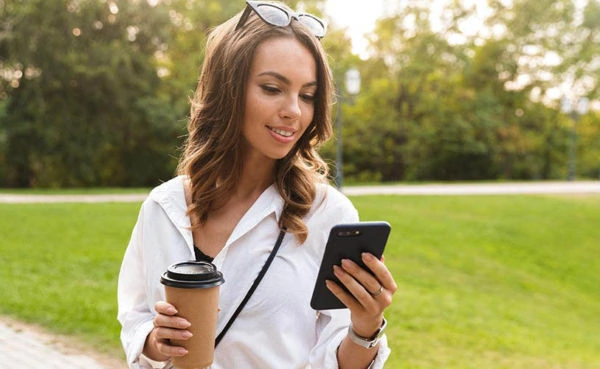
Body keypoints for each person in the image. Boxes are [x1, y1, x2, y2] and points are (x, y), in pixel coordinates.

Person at [117, 1, 398, 368]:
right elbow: (135, 320)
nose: (294, 110)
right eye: (272, 88)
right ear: (228, 90)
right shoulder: (162, 208)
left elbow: (339, 361)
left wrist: (366, 325)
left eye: (307, 95)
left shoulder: (328, 213)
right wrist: (156, 341)